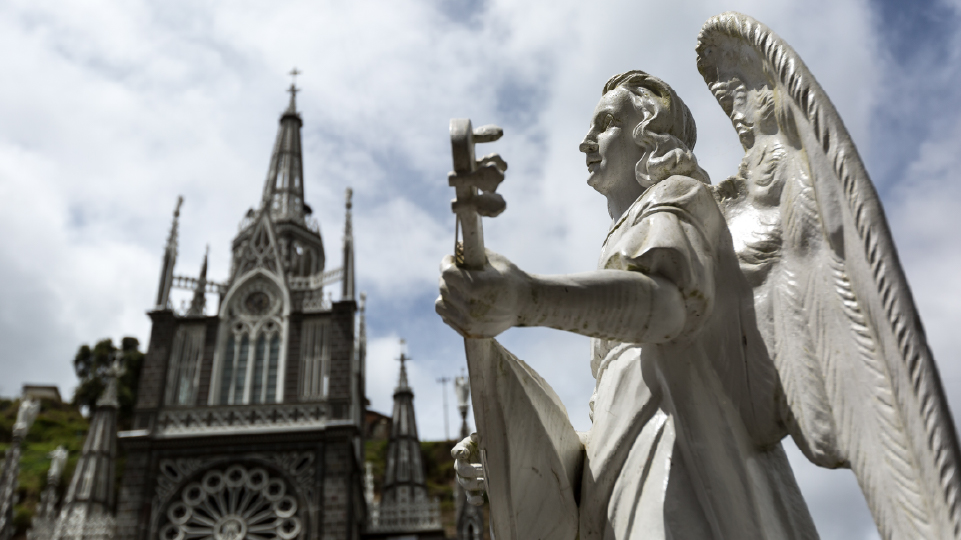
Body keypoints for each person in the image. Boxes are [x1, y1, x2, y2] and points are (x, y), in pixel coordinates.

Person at [436, 70, 818, 539]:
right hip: (625, 469)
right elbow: (619, 410)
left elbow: (669, 309)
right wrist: (515, 450)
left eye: (605, 124)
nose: (586, 141)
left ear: (650, 136)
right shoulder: (623, 233)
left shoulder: (679, 197)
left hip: (679, 448)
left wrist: (525, 298)